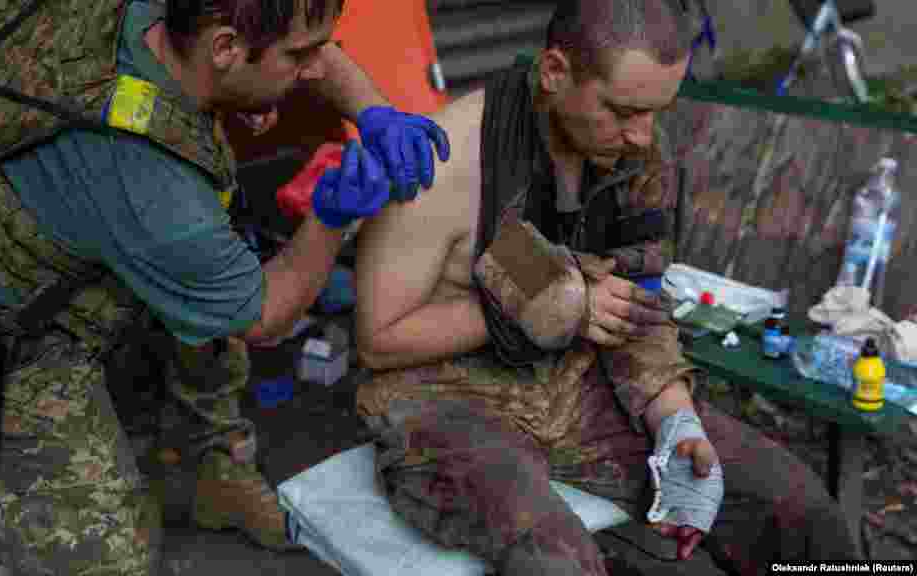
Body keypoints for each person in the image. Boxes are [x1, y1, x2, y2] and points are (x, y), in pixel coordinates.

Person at [0, 0, 449, 573]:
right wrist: (329, 220)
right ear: (224, 49)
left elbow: (300, 43)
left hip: (14, 180)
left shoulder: (172, 19)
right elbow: (264, 314)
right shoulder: (152, 194)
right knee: (105, 559)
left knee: (213, 293)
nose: (319, 66)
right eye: (300, 56)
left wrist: (374, 112)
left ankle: (213, 468)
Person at [352, 0, 862, 574]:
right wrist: (531, 311)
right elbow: (377, 341)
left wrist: (675, 424)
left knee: (795, 506)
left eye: (655, 111)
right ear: (554, 73)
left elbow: (639, 305)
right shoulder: (446, 161)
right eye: (623, 111)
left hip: (574, 383)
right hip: (445, 401)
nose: (643, 136)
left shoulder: (635, 149)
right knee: (556, 557)